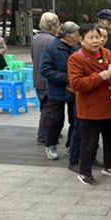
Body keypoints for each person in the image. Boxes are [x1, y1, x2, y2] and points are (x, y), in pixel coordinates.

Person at [68, 23, 111, 186]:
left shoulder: (107, 53)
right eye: (90, 37)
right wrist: (99, 77)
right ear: (81, 40)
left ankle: (110, 166)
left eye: (98, 37)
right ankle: (85, 172)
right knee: (89, 143)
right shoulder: (76, 58)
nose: (95, 41)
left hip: (108, 105)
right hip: (90, 108)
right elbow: (76, 84)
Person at [39, 21, 80, 161]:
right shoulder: (51, 48)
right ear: (68, 36)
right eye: (77, 35)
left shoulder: (77, 48)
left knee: (75, 119)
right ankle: (51, 145)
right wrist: (67, 78)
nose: (79, 38)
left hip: (74, 91)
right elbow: (45, 69)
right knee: (56, 120)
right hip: (57, 91)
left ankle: (71, 145)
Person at [32, 12, 61, 145]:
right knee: (48, 109)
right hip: (47, 80)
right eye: (57, 24)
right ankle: (43, 136)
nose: (58, 27)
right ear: (52, 25)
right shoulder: (51, 40)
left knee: (46, 107)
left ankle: (49, 132)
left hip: (38, 78)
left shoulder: (37, 38)